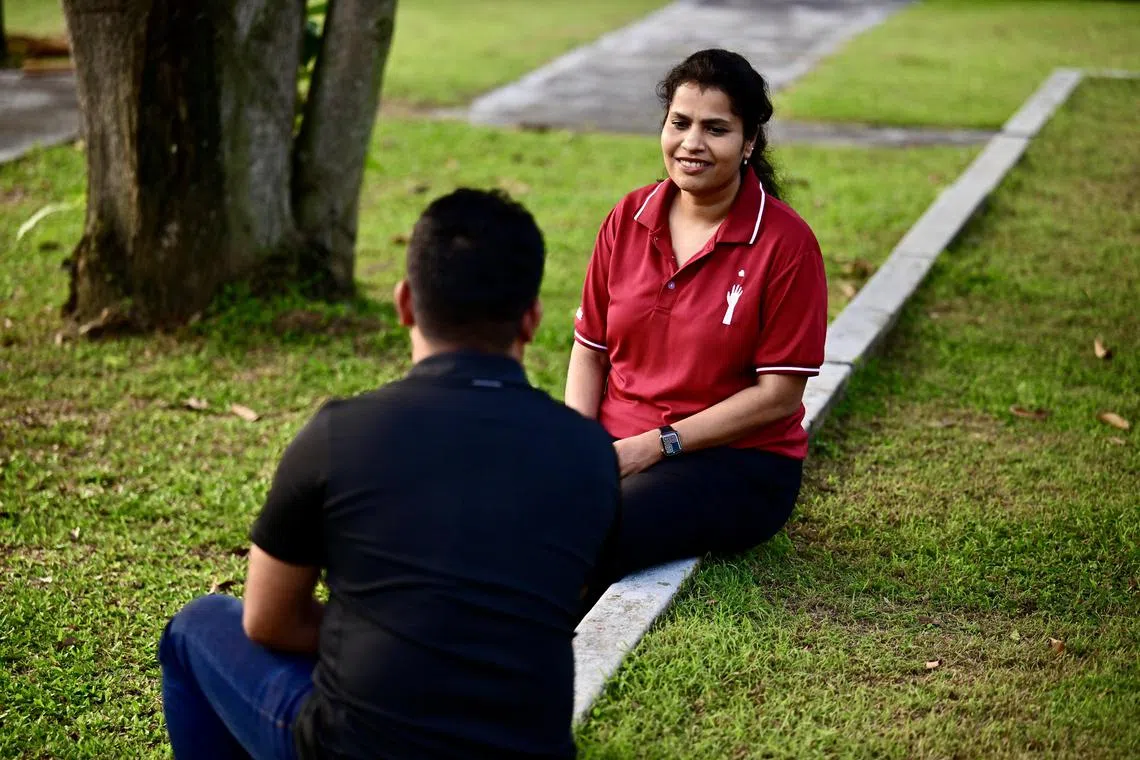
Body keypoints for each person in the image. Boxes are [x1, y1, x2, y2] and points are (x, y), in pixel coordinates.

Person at [158, 189, 621, 760]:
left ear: (404, 303)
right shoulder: (591, 455)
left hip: (355, 745)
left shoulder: (337, 436)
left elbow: (267, 620)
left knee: (196, 626)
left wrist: (389, 636)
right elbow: (546, 604)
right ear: (531, 319)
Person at [565, 49, 827, 581]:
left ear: (748, 142)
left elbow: (778, 396)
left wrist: (657, 444)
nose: (692, 143)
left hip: (733, 462)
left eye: (716, 128)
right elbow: (590, 350)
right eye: (679, 123)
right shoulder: (628, 216)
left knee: (583, 530)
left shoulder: (784, 243)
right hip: (616, 448)